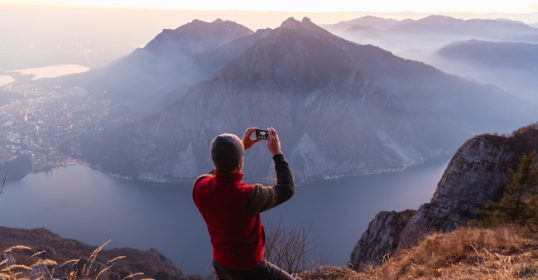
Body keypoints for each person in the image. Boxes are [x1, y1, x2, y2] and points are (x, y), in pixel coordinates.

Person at [192, 127, 295, 280]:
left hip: (220, 264)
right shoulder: (249, 197)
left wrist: (240, 148)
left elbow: (216, 174)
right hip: (249, 269)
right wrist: (277, 153)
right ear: (240, 163)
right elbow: (287, 189)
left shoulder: (199, 187)